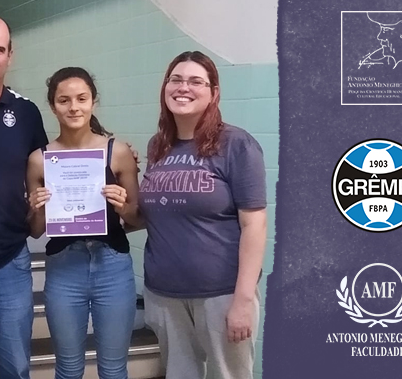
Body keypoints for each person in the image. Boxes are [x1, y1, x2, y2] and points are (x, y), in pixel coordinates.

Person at [139, 51, 267, 379]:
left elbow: (254, 224)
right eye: (176, 80)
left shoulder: (236, 144)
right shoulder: (159, 145)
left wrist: (242, 300)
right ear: (165, 87)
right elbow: (157, 213)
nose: (184, 88)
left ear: (214, 92)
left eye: (196, 81)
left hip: (222, 294)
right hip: (165, 294)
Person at [26, 67, 141, 379]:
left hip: (112, 264)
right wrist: (37, 208)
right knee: (68, 367)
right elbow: (36, 229)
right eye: (64, 100)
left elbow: (136, 216)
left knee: (114, 368)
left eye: (81, 98)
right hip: (64, 266)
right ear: (52, 106)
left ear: (93, 102)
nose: (73, 107)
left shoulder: (116, 151)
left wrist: (121, 205)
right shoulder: (40, 158)